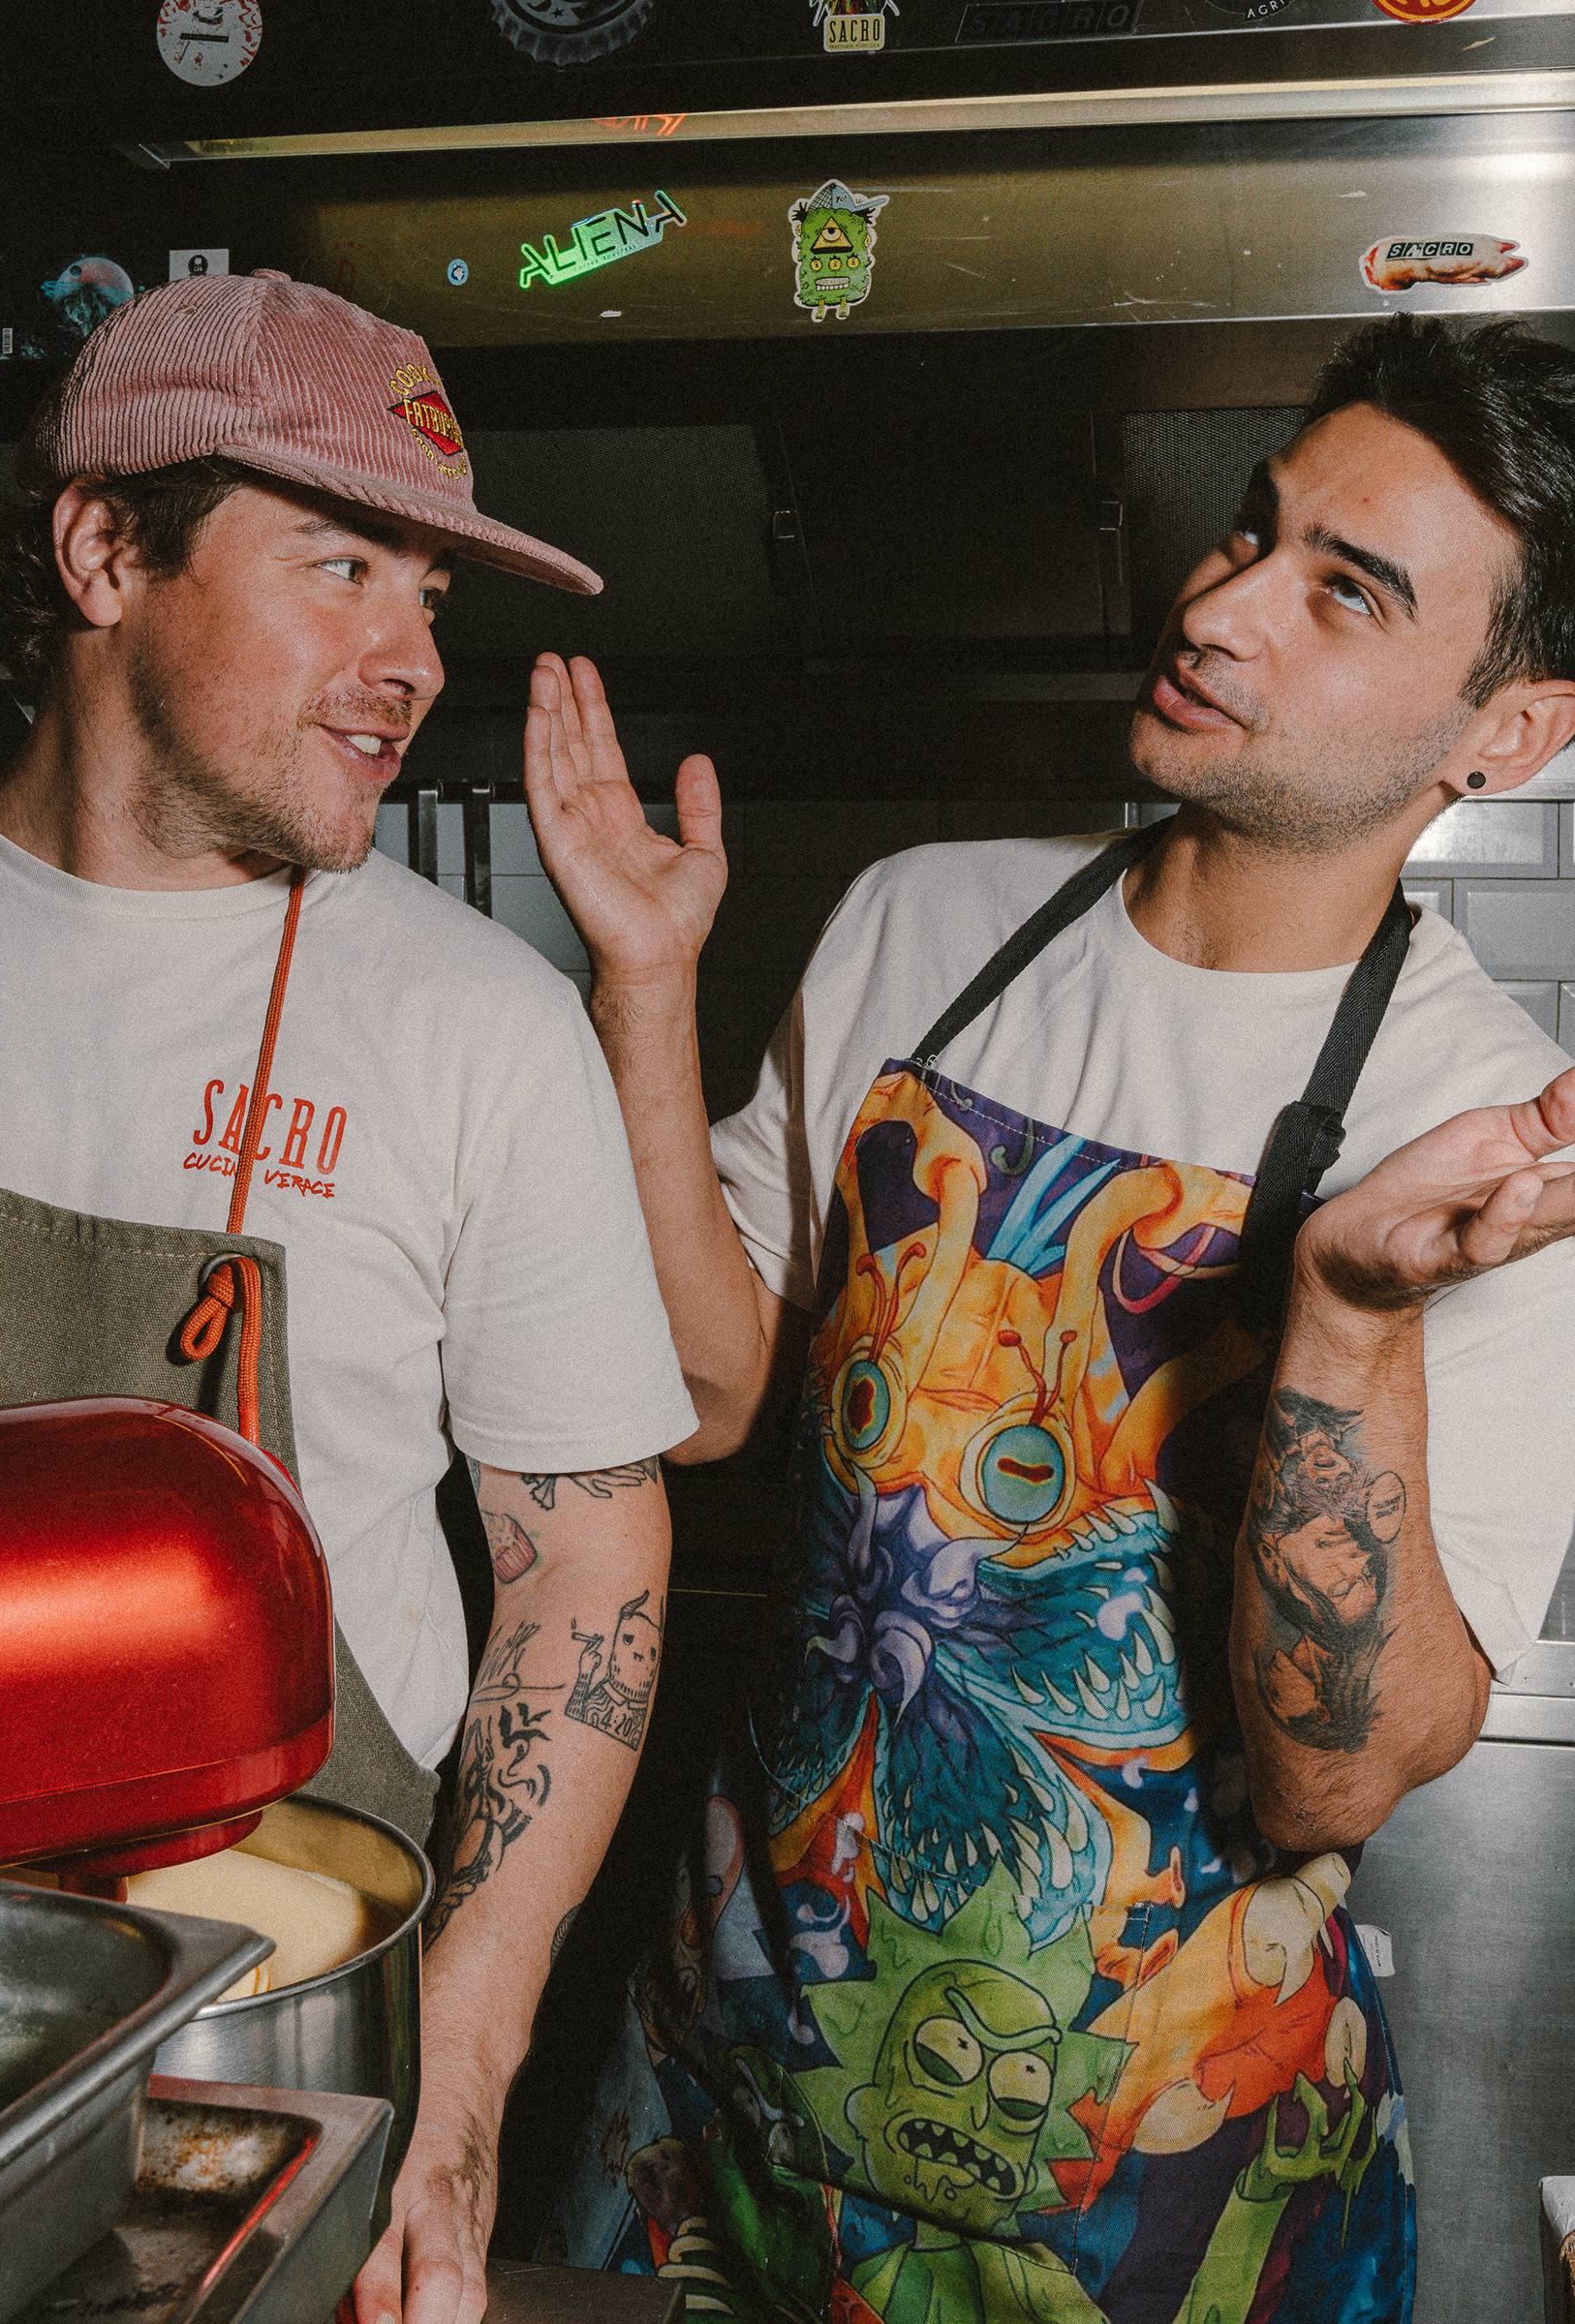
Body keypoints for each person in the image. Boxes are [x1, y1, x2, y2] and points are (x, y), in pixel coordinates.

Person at [523, 314, 1575, 2316]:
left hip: (1147, 2194)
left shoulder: (1488, 1143)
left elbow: (1332, 1783)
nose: (1222, 604)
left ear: (1506, 733)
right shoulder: (926, 921)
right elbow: (708, 1392)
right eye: (1254, 530)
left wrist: (1350, 1316)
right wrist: (647, 992)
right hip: (728, 2085)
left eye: (1344, 591)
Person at [0, 271, 698, 2324]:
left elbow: (586, 1563)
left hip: (271, 2054)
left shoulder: (479, 1030)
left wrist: (462, 2082)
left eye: (430, 592)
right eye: (342, 566)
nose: (411, 658)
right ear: (104, 552)